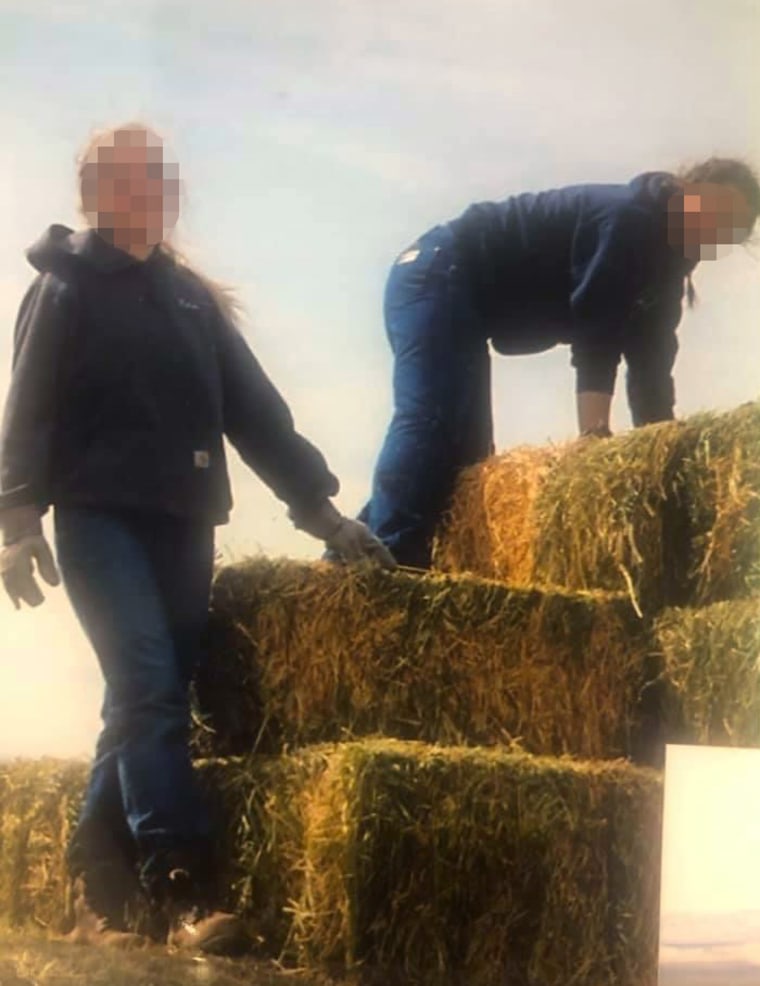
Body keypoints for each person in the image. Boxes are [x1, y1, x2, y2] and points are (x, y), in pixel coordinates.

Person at [0, 122, 395, 955]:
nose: (152, 192)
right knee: (147, 684)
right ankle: (180, 884)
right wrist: (15, 520)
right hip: (98, 518)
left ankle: (95, 886)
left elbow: (256, 411)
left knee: (145, 700)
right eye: (132, 178)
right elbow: (26, 409)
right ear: (97, 194)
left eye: (161, 179)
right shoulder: (65, 286)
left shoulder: (191, 301)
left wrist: (322, 512)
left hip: (185, 523)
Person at [356, 159, 760, 569]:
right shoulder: (631, 220)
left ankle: (352, 551)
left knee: (466, 454)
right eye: (719, 211)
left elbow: (651, 373)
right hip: (439, 268)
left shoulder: (665, 279)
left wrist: (661, 458)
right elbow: (596, 335)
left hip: (467, 301)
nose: (718, 229)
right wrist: (594, 438)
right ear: (691, 190)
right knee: (432, 418)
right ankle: (389, 562)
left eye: (732, 229)